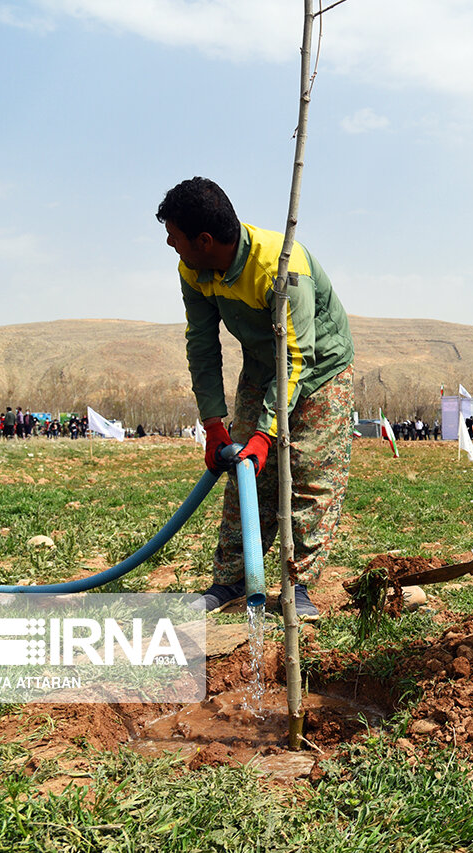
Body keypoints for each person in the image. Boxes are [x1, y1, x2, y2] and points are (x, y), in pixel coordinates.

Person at [157, 176, 354, 622]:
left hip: (319, 366)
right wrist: (212, 423)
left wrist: (267, 433)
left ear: (204, 240)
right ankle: (231, 581)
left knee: (310, 476)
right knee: (244, 471)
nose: (170, 242)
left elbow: (298, 358)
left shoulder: (282, 269)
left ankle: (297, 584)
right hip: (262, 365)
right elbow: (202, 344)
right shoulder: (194, 268)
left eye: (175, 235)